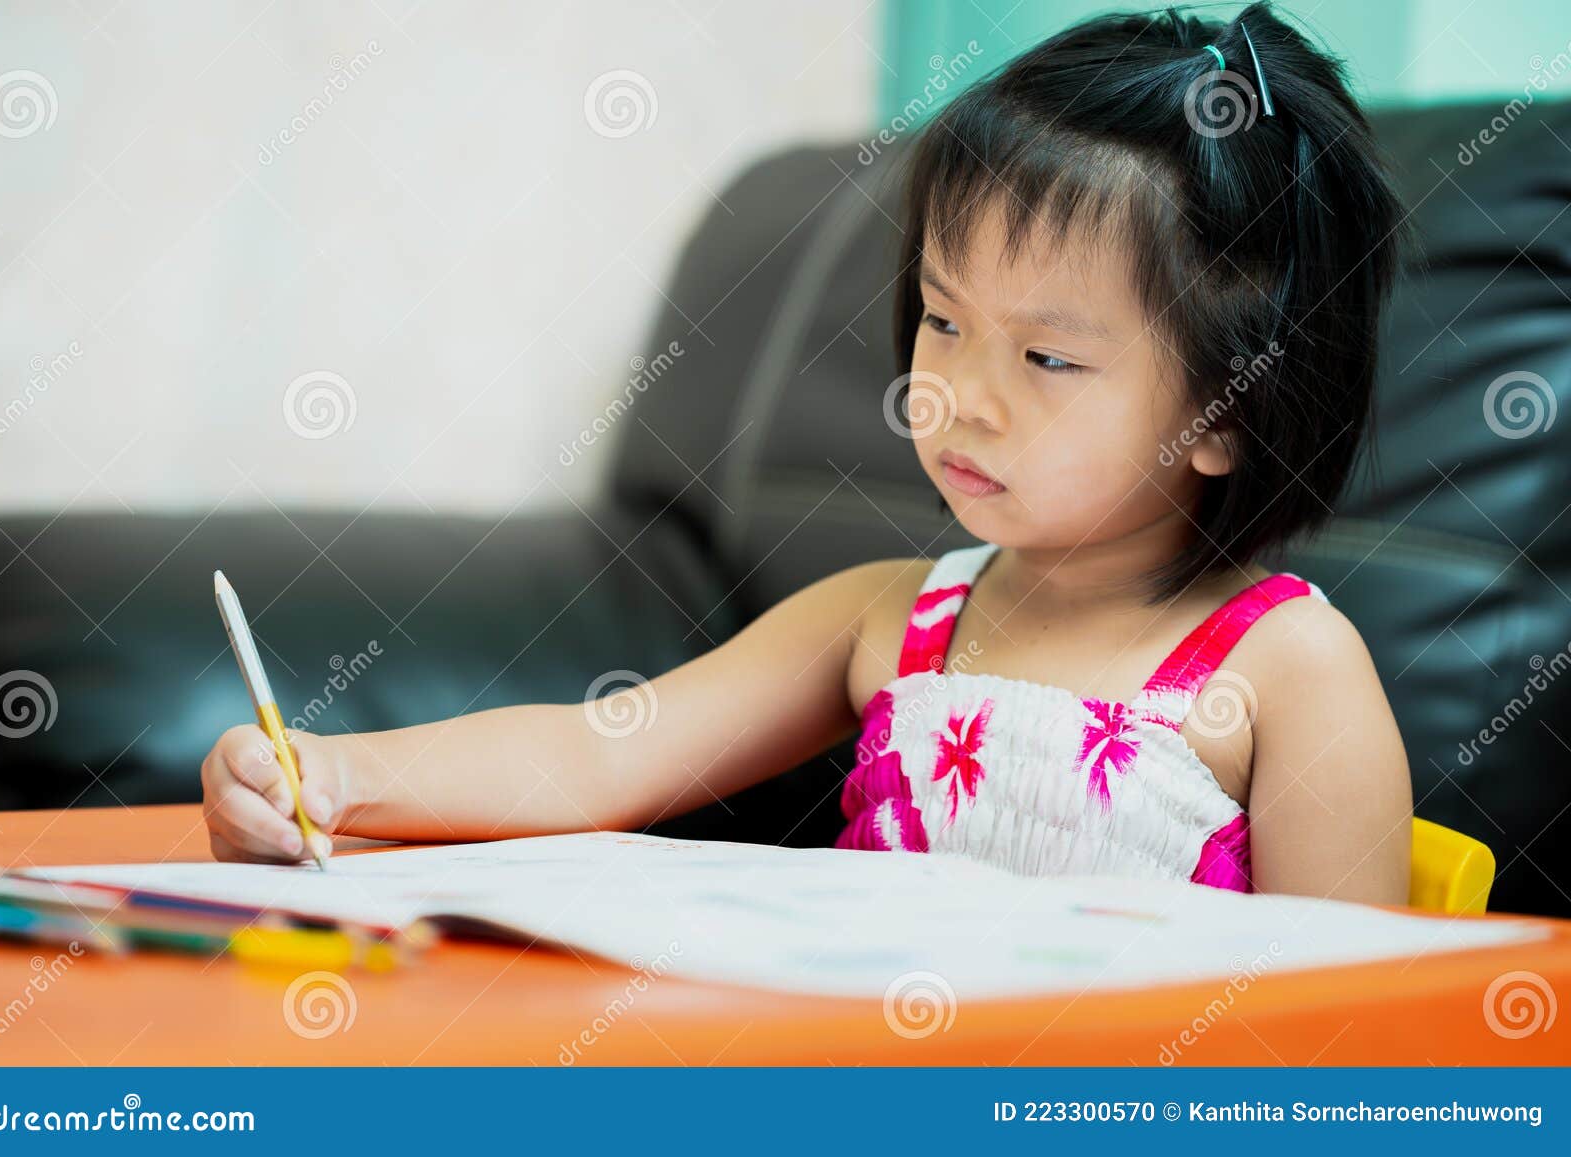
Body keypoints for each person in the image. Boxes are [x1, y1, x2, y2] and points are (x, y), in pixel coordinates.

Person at [201, 2, 1413, 903]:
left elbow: (1355, 1030)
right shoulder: (892, 621)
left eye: (1046, 359)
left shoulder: (1289, 673)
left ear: (1230, 413)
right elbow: (597, 754)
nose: (958, 398)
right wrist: (330, 777)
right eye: (944, 320)